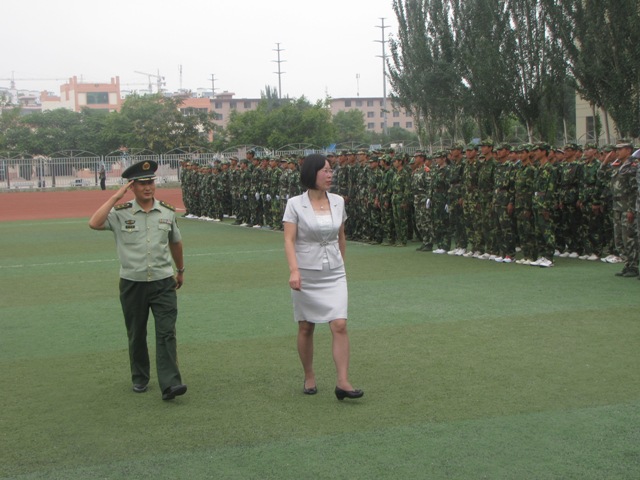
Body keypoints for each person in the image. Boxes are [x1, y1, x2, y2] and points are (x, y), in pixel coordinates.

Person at [88, 160, 187, 401]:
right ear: (131, 186)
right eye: (142, 183)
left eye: (151, 182)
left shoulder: (167, 211)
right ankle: (140, 377)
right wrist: (115, 197)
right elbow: (94, 223)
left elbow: (175, 242)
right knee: (136, 333)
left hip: (163, 282)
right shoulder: (120, 213)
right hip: (133, 283)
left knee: (166, 332)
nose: (148, 187)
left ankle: (170, 384)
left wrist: (180, 270)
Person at [282, 153, 363, 401]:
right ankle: (309, 375)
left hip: (334, 272)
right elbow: (289, 240)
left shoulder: (338, 201)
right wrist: (294, 270)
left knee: (340, 324)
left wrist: (341, 264)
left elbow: (341, 236)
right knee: (306, 326)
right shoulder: (295, 204)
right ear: (312, 173)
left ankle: (343, 382)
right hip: (306, 272)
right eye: (325, 171)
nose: (330, 175)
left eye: (331, 170)